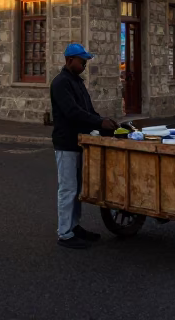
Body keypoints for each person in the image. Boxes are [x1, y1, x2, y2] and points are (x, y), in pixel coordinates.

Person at [50, 43, 116, 250]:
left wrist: (103, 121)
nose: (85, 65)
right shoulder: (60, 83)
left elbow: (87, 110)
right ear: (70, 61)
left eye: (86, 62)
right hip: (66, 143)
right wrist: (98, 123)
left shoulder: (77, 82)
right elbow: (72, 112)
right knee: (68, 189)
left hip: (81, 141)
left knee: (77, 189)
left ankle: (74, 225)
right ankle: (65, 233)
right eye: (82, 62)